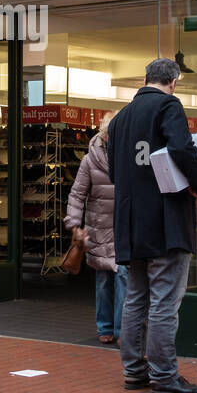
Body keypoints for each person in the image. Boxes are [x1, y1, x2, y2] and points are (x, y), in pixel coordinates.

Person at [109, 57, 197, 393]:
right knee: (165, 301)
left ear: (145, 78)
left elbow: (114, 171)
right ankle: (164, 376)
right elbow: (181, 147)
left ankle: (134, 372)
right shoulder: (168, 105)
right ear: (174, 81)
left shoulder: (120, 119)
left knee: (136, 297)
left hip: (130, 221)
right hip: (165, 220)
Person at [66, 111, 124, 344]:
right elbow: (77, 194)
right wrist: (73, 223)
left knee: (124, 280)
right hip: (99, 229)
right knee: (104, 281)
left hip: (122, 228)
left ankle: (121, 330)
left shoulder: (131, 155)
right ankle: (106, 327)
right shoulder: (90, 160)